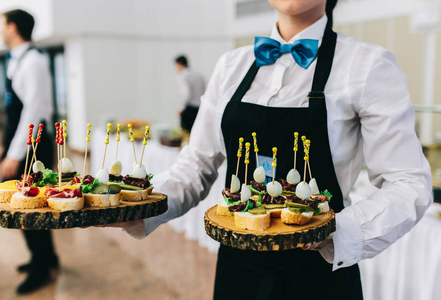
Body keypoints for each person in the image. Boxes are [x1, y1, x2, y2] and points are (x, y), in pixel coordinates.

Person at [119, 0, 433, 298]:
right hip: (236, 271)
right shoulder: (231, 65)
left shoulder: (368, 66)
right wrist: (138, 208)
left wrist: (332, 231)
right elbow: (197, 164)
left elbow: (409, 183)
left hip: (319, 277)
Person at [0, 9, 58, 294]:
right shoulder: (17, 60)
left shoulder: (33, 60)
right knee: (29, 205)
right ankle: (45, 257)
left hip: (33, 147)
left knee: (30, 207)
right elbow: (14, 111)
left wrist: (15, 153)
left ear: (14, 27)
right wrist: (3, 146)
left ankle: (42, 268)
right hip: (22, 144)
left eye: (2, 25)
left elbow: (33, 112)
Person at [174, 55, 206, 133]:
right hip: (199, 107)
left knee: (186, 133)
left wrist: (180, 107)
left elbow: (186, 93)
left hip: (189, 108)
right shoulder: (198, 75)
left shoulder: (183, 75)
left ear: (179, 64)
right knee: (196, 132)